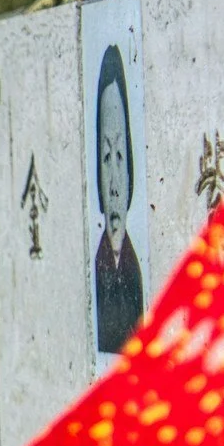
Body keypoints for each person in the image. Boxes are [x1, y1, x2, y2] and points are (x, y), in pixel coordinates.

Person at [91, 43, 143, 355]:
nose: (113, 184)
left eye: (121, 158)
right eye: (106, 157)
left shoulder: (134, 269)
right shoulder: (97, 265)